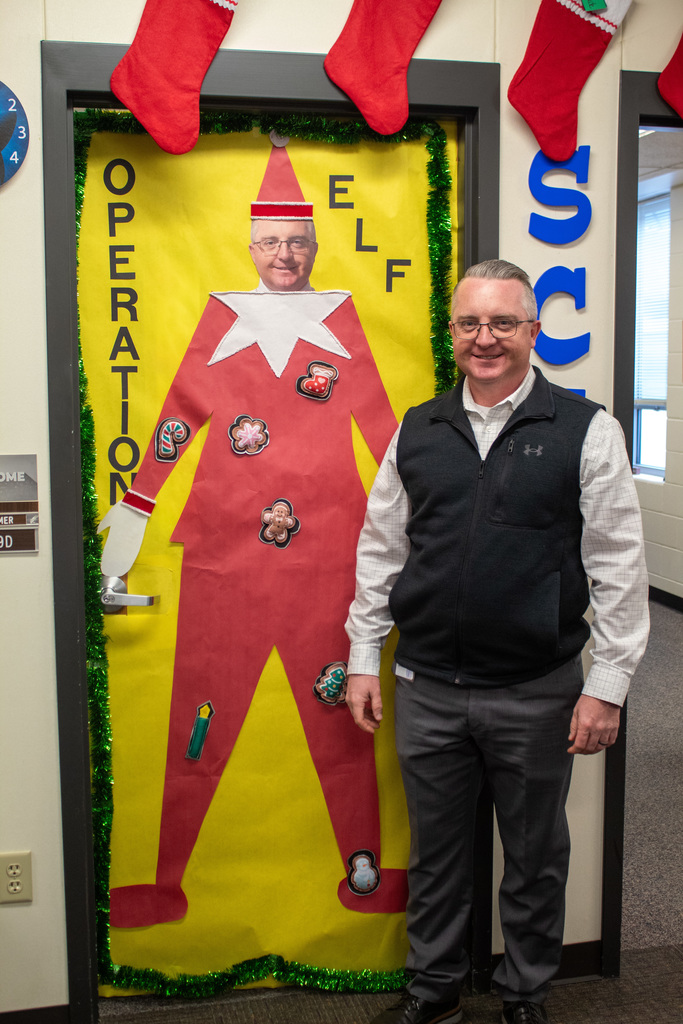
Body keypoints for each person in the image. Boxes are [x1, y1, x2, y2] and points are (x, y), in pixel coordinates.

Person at [99, 140, 409, 927]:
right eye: (271, 240)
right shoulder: (222, 320)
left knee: (338, 718)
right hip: (220, 560)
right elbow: (174, 422)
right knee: (199, 719)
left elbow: (381, 432)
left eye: (297, 241)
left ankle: (362, 873)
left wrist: (424, 524)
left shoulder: (338, 322)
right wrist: (136, 509)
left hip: (329, 564)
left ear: (313, 246)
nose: (284, 253)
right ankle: (166, 884)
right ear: (250, 245)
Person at [345, 259, 649, 1024]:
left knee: (535, 858)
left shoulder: (585, 428)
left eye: (502, 323)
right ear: (452, 333)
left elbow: (616, 562)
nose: (485, 339)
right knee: (438, 856)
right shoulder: (419, 427)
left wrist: (605, 686)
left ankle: (524, 993)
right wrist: (361, 658)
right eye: (469, 323)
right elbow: (381, 550)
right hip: (427, 689)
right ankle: (434, 989)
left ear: (531, 331)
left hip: (536, 690)